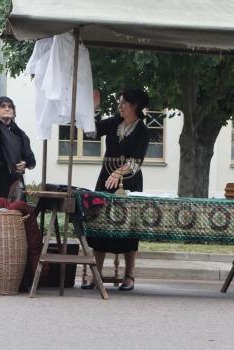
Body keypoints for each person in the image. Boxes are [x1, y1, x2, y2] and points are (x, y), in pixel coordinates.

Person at [82, 88, 150, 292]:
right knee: (100, 223)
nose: (119, 106)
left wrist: (118, 173)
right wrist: (92, 109)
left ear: (135, 105)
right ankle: (97, 274)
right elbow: (90, 132)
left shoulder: (142, 130)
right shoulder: (113, 122)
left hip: (129, 181)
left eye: (123, 103)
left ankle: (129, 276)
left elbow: (136, 161)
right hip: (106, 179)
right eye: (119, 103)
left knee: (129, 228)